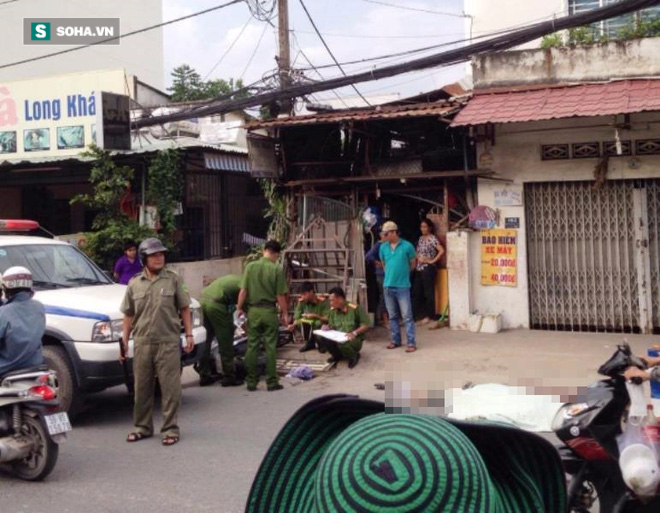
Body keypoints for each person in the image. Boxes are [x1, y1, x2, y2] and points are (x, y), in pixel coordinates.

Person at [120, 238, 193, 446]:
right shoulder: (134, 283)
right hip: (142, 342)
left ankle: (170, 429)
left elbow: (185, 308)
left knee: (170, 389)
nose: (159, 258)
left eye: (161, 254)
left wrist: (189, 335)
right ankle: (142, 427)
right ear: (144, 258)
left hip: (168, 342)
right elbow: (128, 315)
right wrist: (124, 341)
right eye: (154, 255)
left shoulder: (173, 280)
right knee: (141, 387)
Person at [236, 240, 288, 392]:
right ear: (276, 254)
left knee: (252, 345)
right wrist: (284, 313)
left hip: (253, 312)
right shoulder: (276, 269)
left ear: (264, 250)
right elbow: (280, 295)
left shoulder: (250, 266)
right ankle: (272, 382)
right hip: (269, 311)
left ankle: (251, 382)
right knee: (270, 346)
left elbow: (243, 291)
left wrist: (239, 308)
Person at [197, 274, 244, 387]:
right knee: (225, 341)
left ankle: (204, 376)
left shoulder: (234, 278)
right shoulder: (246, 285)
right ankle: (229, 377)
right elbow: (243, 313)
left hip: (202, 301)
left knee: (206, 341)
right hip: (216, 305)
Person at [378, 221, 417, 353]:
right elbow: (384, 265)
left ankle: (411, 342)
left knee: (407, 316)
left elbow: (413, 264)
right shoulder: (383, 247)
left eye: (387, 233)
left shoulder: (407, 246)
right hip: (388, 286)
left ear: (394, 232)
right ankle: (395, 340)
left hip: (402, 286)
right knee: (392, 316)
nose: (385, 236)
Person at [0, 267, 45, 376]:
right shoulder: (39, 307)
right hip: (36, 364)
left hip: (7, 367)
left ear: (6, 289)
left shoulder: (4, 312)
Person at [320, 287, 370, 369]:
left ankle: (353, 356)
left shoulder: (354, 308)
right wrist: (327, 327)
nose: (330, 303)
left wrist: (354, 333)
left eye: (332, 300)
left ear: (340, 299)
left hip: (354, 339)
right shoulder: (333, 311)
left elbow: (366, 325)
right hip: (339, 337)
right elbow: (332, 325)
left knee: (344, 342)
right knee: (322, 337)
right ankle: (337, 356)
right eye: (330, 301)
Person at [413, 217, 445, 328]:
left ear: (430, 228)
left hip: (428, 268)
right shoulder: (421, 239)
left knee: (428, 293)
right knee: (417, 292)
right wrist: (419, 258)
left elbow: (441, 251)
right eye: (422, 227)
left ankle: (430, 316)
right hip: (419, 268)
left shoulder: (433, 239)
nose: (423, 229)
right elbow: (416, 252)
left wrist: (431, 261)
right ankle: (418, 316)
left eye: (425, 226)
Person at [288, 281, 329, 353]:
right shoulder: (302, 302)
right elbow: (297, 316)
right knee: (299, 322)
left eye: (304, 294)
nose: (302, 296)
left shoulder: (323, 301)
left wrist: (315, 315)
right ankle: (309, 343)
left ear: (311, 292)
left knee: (318, 323)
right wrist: (293, 325)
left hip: (321, 325)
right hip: (308, 323)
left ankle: (321, 343)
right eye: (301, 294)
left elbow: (327, 318)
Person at [365, 230, 388, 327]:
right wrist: (377, 262)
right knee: (384, 296)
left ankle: (385, 319)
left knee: (386, 296)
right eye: (385, 235)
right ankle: (384, 320)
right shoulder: (379, 245)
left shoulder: (387, 245)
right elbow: (368, 256)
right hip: (381, 274)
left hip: (387, 273)